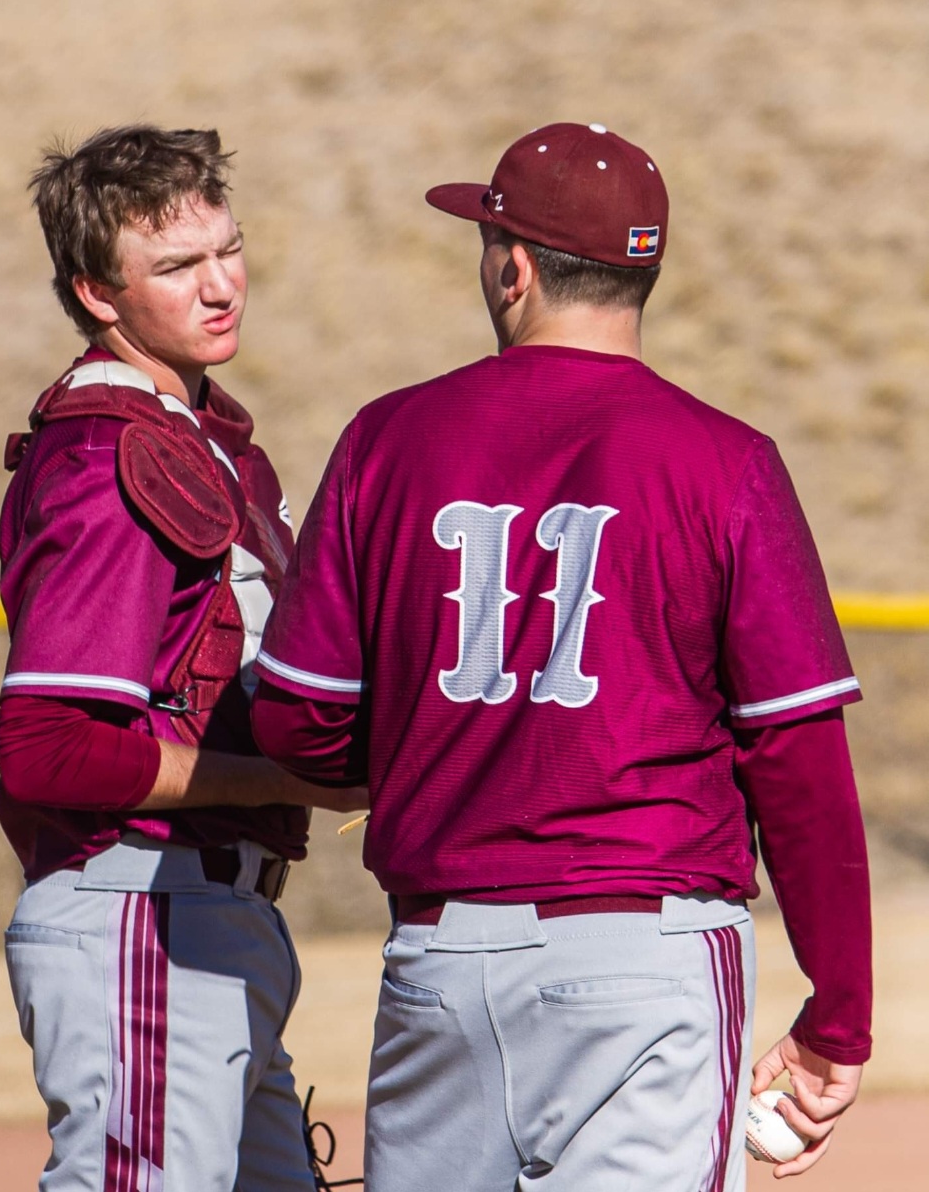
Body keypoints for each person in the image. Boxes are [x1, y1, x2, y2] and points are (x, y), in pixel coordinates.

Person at [250, 123, 872, 1192]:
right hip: (646, 955)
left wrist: (431, 742)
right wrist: (839, 1014)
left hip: (441, 962)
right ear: (643, 272)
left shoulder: (386, 437)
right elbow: (799, 761)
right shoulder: (727, 459)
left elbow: (298, 720)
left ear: (516, 266)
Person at [0, 124, 364, 1192]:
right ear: (98, 294)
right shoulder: (115, 455)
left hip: (208, 915)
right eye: (176, 267)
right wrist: (301, 774)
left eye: (226, 247)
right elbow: (49, 749)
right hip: (139, 910)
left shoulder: (203, 436)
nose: (221, 285)